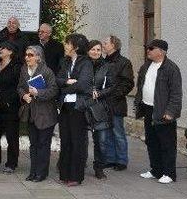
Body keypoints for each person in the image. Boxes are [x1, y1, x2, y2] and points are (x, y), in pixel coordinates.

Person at [134, 39, 182, 184]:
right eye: (147, 48)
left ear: (161, 51)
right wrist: (139, 102)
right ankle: (156, 170)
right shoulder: (146, 65)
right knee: (151, 141)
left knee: (167, 143)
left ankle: (169, 173)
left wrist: (171, 112)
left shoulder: (171, 68)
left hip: (163, 111)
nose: (148, 50)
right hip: (148, 108)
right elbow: (141, 85)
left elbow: (176, 93)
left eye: (151, 48)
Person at [56, 33, 93, 186]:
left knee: (77, 141)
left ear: (75, 47)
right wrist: (67, 81)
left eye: (68, 43)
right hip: (65, 106)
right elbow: (57, 80)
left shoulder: (86, 63)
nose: (65, 46)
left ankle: (76, 176)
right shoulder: (64, 61)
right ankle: (65, 174)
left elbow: (83, 84)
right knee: (65, 140)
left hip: (78, 106)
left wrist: (65, 88)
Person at [18, 45, 59, 182]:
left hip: (45, 115)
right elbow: (19, 87)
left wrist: (38, 93)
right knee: (33, 144)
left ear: (38, 58)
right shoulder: (24, 70)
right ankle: (33, 172)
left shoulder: (47, 72)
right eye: (26, 54)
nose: (27, 57)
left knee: (43, 145)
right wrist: (24, 95)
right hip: (31, 114)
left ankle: (41, 173)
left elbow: (54, 91)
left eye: (30, 55)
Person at [101, 35, 134, 171]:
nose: (103, 45)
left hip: (116, 103)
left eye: (105, 42)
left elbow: (128, 83)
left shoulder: (124, 62)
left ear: (113, 45)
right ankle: (110, 158)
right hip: (103, 103)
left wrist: (114, 96)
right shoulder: (103, 62)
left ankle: (121, 160)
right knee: (107, 131)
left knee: (118, 132)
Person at [0, 42, 23, 173]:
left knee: (11, 136)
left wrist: (10, 100)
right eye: (0, 47)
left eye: (3, 48)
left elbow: (20, 86)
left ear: (11, 51)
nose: (0, 50)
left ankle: (11, 163)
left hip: (11, 106)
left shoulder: (17, 67)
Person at [86, 40, 114, 179]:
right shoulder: (82, 65)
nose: (95, 52)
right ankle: (77, 163)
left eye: (98, 50)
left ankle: (99, 167)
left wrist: (100, 93)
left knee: (101, 141)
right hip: (83, 106)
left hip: (99, 107)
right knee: (80, 139)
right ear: (87, 50)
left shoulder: (107, 66)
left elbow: (111, 86)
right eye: (93, 49)